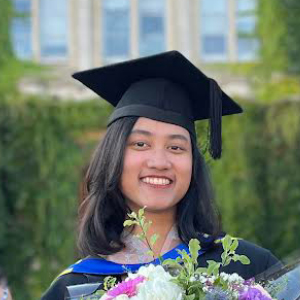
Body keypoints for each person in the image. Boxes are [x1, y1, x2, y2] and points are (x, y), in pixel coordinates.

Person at [41, 51, 279, 300]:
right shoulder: (73, 288)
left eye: (176, 147)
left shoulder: (250, 268)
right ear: (113, 157)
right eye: (140, 144)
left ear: (193, 165)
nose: (159, 162)